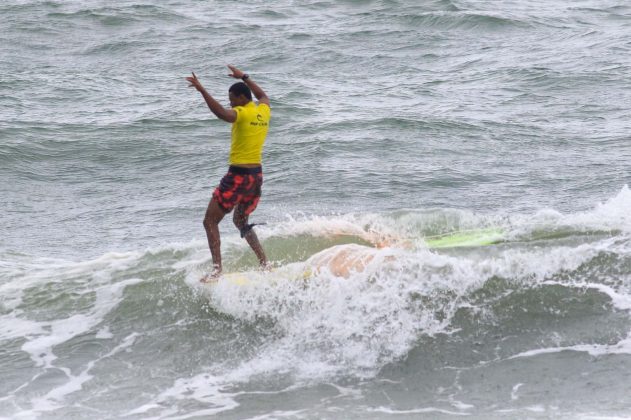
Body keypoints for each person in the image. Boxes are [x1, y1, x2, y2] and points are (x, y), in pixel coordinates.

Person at [186, 65, 270, 282]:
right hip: (256, 177)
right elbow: (262, 95)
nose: (230, 102)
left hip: (238, 176)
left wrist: (202, 90)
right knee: (240, 221)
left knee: (209, 221)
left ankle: (217, 270)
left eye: (232, 98)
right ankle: (264, 263)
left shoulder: (240, 114)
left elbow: (222, 114)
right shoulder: (263, 110)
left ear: (242, 98)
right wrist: (244, 76)